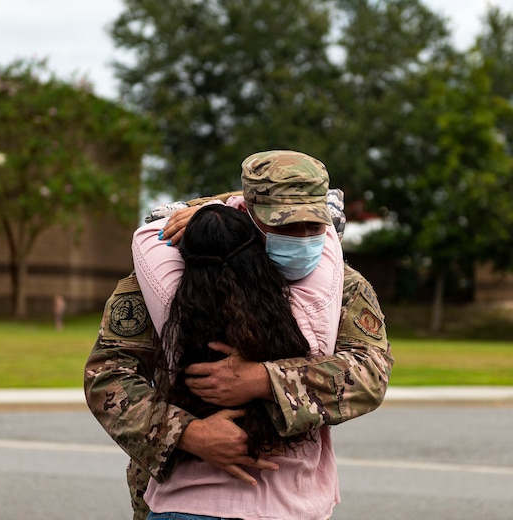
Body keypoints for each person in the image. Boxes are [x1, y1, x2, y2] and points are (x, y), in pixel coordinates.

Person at [83, 150, 392, 520]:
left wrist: (266, 380)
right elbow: (108, 376)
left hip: (294, 505)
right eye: (285, 226)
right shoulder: (176, 272)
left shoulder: (342, 284)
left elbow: (370, 373)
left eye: (314, 226)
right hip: (180, 500)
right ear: (248, 216)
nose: (303, 239)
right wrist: (187, 434)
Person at [137, 199, 341, 519]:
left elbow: (147, 235)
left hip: (185, 504)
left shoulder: (171, 312)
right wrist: (237, 205)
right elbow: (328, 221)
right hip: (287, 507)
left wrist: (213, 210)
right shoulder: (311, 313)